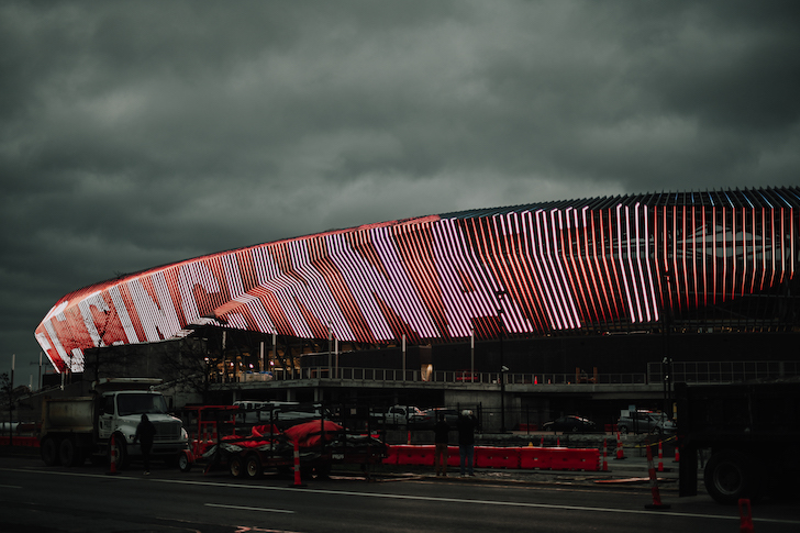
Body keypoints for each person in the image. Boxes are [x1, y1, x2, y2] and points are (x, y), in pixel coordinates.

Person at [457, 410, 476, 477]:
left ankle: (462, 472)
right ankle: (470, 472)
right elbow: (476, 422)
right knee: (470, 457)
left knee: (462, 457)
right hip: (470, 441)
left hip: (462, 441)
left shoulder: (460, 422)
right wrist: (472, 415)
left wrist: (461, 415)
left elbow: (457, 421)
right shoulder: (470, 422)